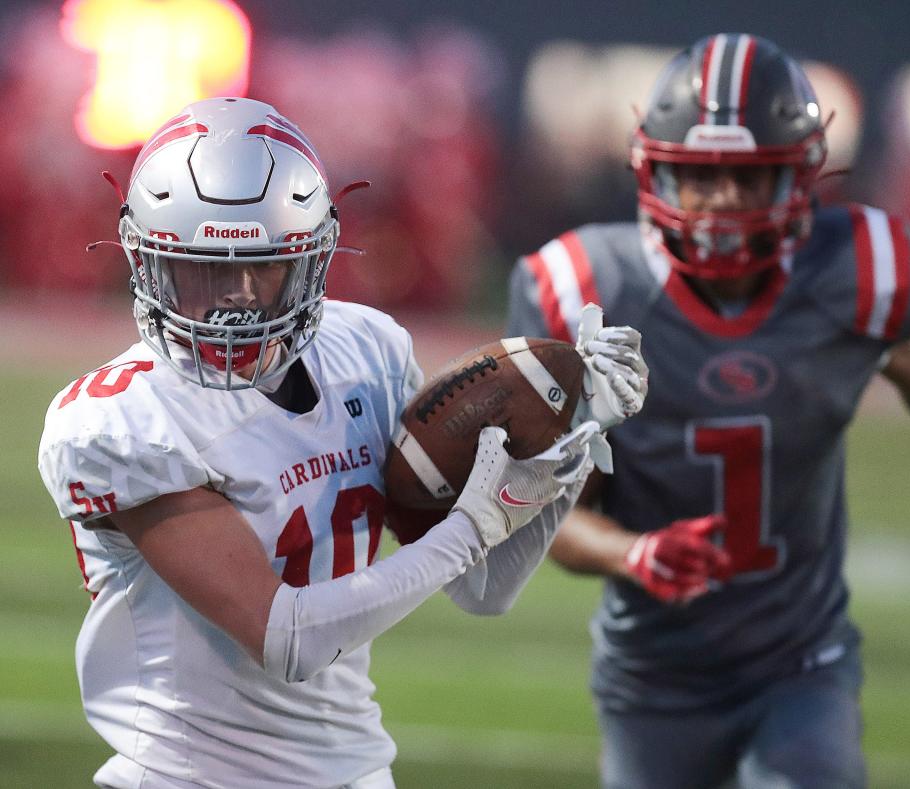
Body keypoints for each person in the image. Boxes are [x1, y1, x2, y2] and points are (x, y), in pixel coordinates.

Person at [37, 97, 647, 789]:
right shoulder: (122, 419)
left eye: (262, 267)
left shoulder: (365, 351)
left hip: (355, 771)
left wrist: (569, 433)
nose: (235, 301)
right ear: (147, 260)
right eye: (204, 269)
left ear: (312, 257)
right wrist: (476, 524)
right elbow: (285, 637)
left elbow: (483, 586)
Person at [507, 34, 910, 789]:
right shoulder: (589, 290)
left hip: (801, 661)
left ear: (799, 178)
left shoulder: (853, 273)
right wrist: (634, 554)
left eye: (752, 179)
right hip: (653, 672)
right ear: (656, 171)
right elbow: (557, 514)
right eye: (702, 179)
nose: (725, 205)